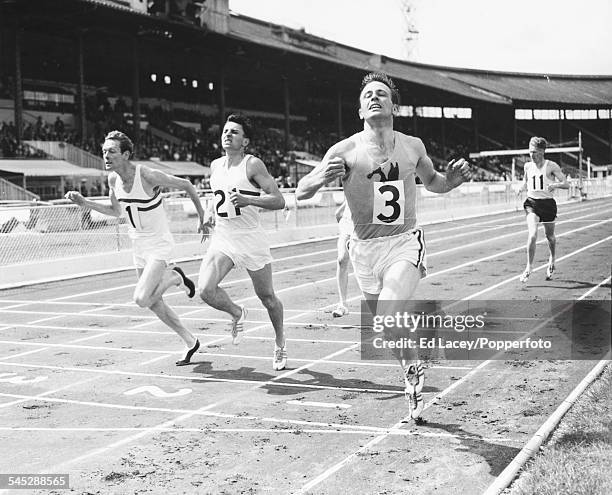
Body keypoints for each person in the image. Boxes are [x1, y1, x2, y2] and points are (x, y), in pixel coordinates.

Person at [296, 72, 470, 420]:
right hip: (364, 250)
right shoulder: (343, 150)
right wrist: (320, 177)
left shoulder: (412, 146)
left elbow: (433, 181)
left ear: (394, 105)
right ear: (360, 110)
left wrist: (450, 182)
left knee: (390, 311)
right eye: (368, 95)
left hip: (403, 244)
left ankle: (413, 363)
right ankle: (412, 375)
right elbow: (301, 190)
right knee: (386, 327)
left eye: (382, 94)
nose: (374, 98)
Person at [65, 130, 206, 366]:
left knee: (141, 299)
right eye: (104, 151)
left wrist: (202, 217)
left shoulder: (148, 175)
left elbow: (187, 184)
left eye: (111, 151)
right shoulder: (113, 180)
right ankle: (190, 341)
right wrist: (85, 203)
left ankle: (174, 277)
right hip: (138, 244)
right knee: (153, 303)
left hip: (158, 245)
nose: (106, 156)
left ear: (126, 154)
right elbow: (116, 212)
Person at [198, 114, 287, 370]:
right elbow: (217, 198)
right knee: (205, 289)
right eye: (225, 131)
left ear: (245, 141)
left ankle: (280, 342)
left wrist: (251, 201)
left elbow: (279, 200)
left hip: (251, 239)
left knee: (267, 297)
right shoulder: (215, 166)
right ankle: (237, 312)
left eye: (234, 132)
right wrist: (208, 214)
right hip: (225, 236)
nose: (228, 134)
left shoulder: (253, 165)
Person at [517, 137, 569, 283]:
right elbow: (526, 181)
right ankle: (529, 267)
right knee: (532, 234)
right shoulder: (527, 166)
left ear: (542, 152)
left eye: (534, 152)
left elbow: (566, 184)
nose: (531, 155)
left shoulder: (551, 166)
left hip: (547, 205)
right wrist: (521, 188)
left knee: (550, 237)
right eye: (529, 152)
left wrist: (555, 186)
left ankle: (552, 258)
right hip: (532, 203)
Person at [332, 200, 353, 318]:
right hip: (348, 223)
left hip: (366, 225)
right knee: (342, 259)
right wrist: (341, 210)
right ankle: (342, 304)